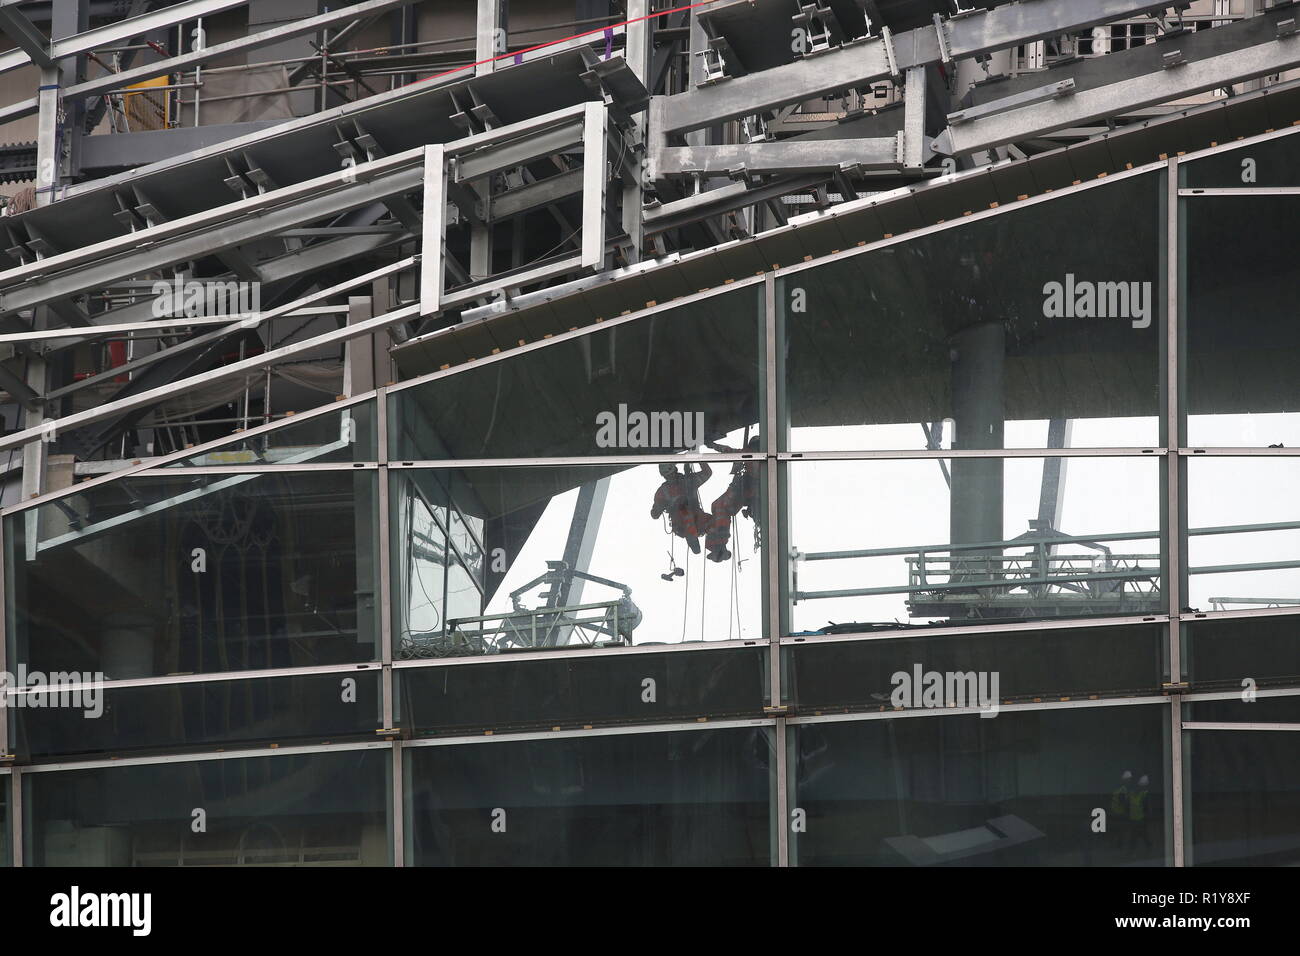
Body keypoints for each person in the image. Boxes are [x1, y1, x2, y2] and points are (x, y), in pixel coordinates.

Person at [705, 437, 761, 562]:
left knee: (719, 506)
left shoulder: (750, 455)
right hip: (745, 491)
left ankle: (720, 538)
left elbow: (727, 451)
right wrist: (712, 445)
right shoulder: (755, 457)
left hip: (745, 491)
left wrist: (712, 445)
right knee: (718, 506)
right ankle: (719, 540)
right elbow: (728, 451)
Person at [650, 462, 712, 554]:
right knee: (684, 510)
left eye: (670, 475)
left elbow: (707, 473)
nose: (669, 477)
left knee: (717, 520)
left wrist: (699, 459)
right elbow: (654, 514)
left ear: (675, 470)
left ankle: (718, 548)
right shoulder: (663, 491)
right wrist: (659, 507)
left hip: (698, 519)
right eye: (666, 476)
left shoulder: (688, 480)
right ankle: (692, 539)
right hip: (682, 524)